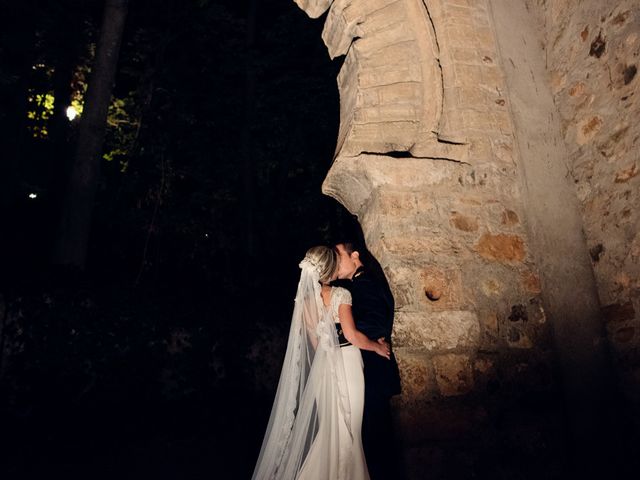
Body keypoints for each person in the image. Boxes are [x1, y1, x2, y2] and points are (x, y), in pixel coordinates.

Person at [252, 246, 390, 480]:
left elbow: (316, 344)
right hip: (347, 364)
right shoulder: (340, 295)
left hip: (323, 369)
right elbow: (352, 335)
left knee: (330, 432)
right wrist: (378, 347)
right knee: (349, 432)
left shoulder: (303, 303)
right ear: (329, 269)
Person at [333, 242, 402, 480]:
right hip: (370, 371)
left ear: (355, 256)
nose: (335, 261)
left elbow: (375, 325)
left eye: (338, 255)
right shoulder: (359, 284)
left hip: (373, 371)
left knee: (376, 443)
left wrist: (340, 332)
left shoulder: (366, 284)